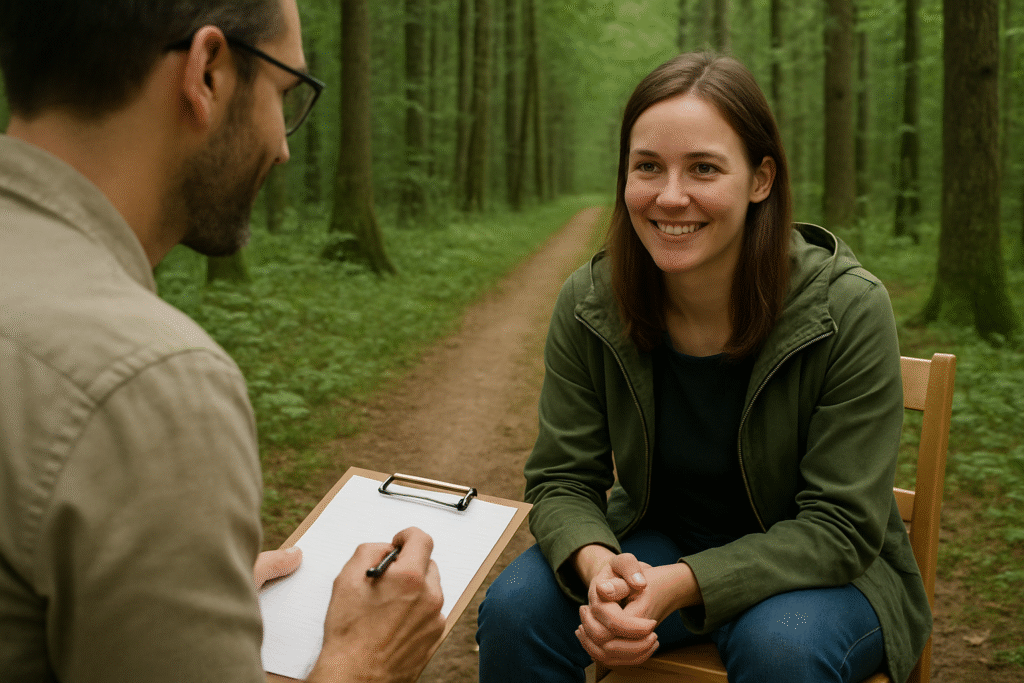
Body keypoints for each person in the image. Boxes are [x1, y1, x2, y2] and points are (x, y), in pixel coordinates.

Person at [0, 1, 444, 681]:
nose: (284, 143)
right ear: (207, 71)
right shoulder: (150, 382)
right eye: (285, 94)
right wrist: (363, 662)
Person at [476, 52, 931, 683]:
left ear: (760, 178)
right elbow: (560, 479)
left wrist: (687, 584)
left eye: (704, 169)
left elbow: (841, 526)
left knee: (782, 648)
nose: (670, 196)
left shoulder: (848, 308)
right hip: (656, 544)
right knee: (518, 611)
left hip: (824, 573)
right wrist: (597, 564)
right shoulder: (591, 303)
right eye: (647, 167)